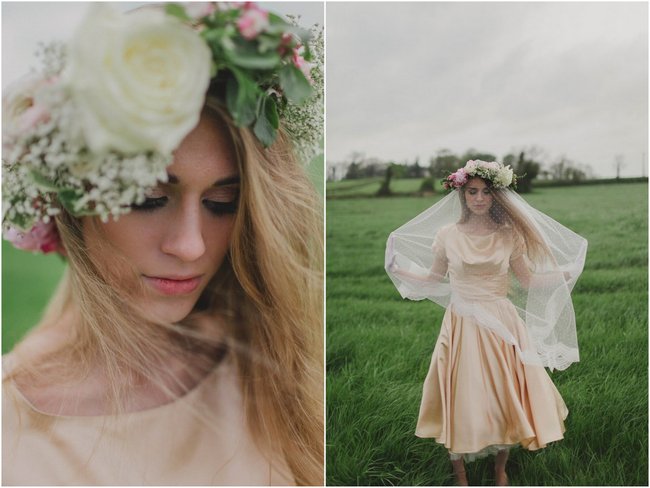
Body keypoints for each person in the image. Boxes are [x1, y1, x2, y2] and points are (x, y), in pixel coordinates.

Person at [2, 3, 323, 485]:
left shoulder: (276, 356)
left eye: (222, 202)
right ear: (70, 202)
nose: (191, 246)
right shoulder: (16, 426)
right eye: (149, 200)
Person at [385, 160, 587, 486]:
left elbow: (530, 280)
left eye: (486, 192)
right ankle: (461, 475)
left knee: (505, 394)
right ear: (462, 195)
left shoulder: (509, 236)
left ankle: (499, 470)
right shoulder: (448, 235)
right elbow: (433, 279)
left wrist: (568, 271)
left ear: (497, 196)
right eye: (472, 191)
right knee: (464, 393)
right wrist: (397, 268)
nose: (479, 198)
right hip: (462, 324)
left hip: (501, 321)